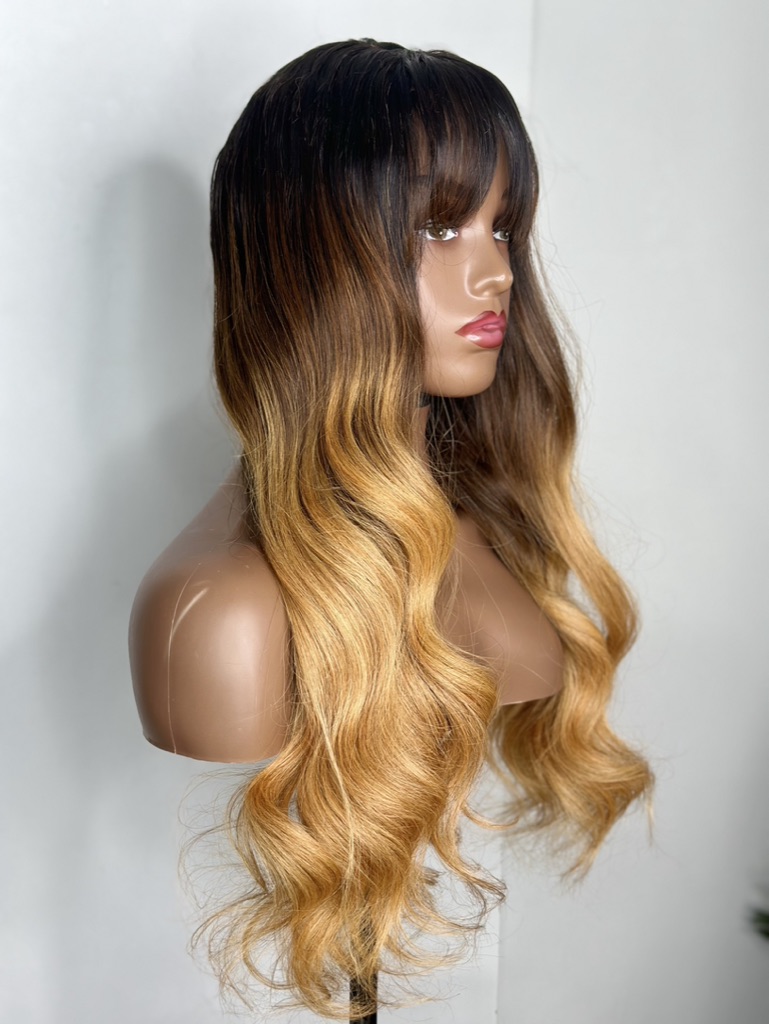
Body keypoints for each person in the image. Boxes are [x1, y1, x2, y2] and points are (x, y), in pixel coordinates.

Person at [129, 39, 653, 1021]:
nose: (496, 273)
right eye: (440, 227)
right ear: (310, 257)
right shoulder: (218, 604)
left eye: (503, 227)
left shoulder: (479, 532)